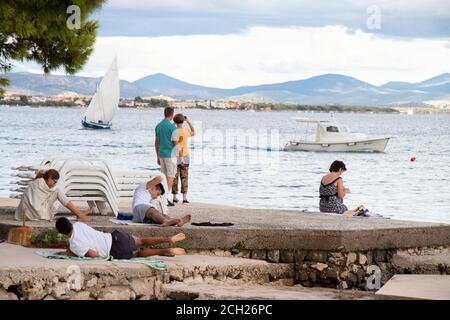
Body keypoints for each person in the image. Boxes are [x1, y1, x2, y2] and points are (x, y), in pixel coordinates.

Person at [55, 217, 186, 259]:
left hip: (113, 250)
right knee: (142, 241)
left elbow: (93, 255)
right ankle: (168, 239)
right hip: (114, 237)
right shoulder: (79, 224)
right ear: (69, 222)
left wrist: (71, 252)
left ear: (61, 232)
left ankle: (165, 251)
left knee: (138, 254)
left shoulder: (74, 244)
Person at [15, 169, 92, 221]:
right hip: (34, 213)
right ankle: (79, 214)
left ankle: (78, 213)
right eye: (54, 182)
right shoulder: (41, 184)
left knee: (53, 204)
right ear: (49, 178)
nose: (54, 184)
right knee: (58, 191)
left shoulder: (36, 182)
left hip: (23, 214)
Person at [155, 106, 178, 206]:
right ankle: (165, 197)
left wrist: (157, 156)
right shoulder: (172, 127)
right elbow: (175, 143)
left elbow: (156, 143)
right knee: (170, 176)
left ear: (164, 113)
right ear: (172, 115)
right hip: (170, 155)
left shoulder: (158, 126)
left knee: (163, 176)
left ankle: (161, 196)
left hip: (161, 154)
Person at [172, 113, 195, 204]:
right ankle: (184, 198)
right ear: (183, 121)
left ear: (175, 121)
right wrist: (188, 121)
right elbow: (194, 132)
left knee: (175, 177)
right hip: (185, 156)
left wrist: (173, 123)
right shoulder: (186, 131)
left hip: (175, 156)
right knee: (184, 177)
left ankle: (174, 197)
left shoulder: (173, 131)